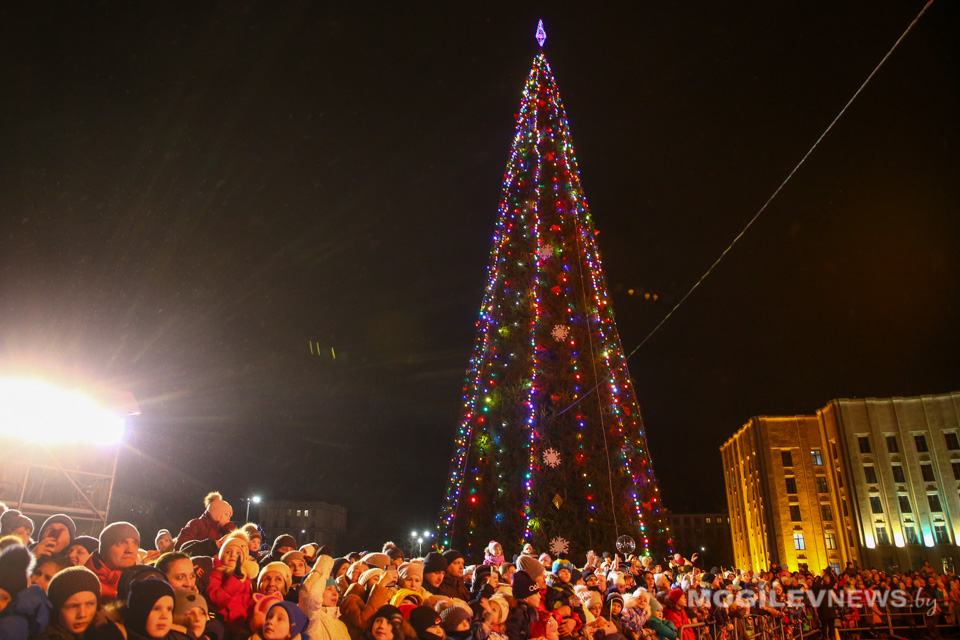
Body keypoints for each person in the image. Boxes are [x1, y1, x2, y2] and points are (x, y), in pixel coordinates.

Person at [85, 522, 140, 602]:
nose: (130, 550)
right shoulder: (82, 583)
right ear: (104, 550)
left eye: (134, 544)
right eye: (121, 543)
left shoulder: (144, 581)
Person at [299, 554, 351, 640]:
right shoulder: (311, 617)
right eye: (329, 589)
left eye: (336, 590)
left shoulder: (341, 625)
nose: (335, 593)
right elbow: (310, 594)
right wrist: (324, 563)